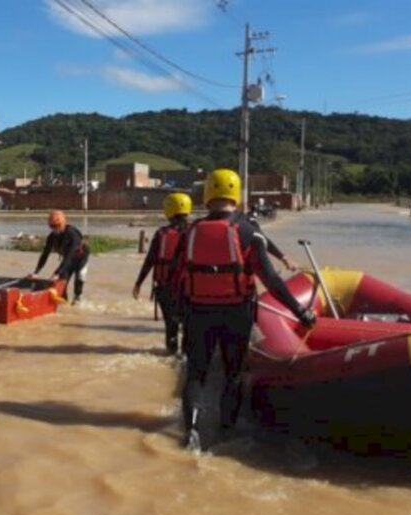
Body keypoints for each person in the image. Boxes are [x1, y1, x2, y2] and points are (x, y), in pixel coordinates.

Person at [175, 168, 316, 452]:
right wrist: (301, 313)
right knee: (233, 374)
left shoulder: (190, 232)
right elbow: (272, 280)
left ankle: (191, 431)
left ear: (207, 195)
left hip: (197, 313)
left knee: (196, 373)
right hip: (235, 314)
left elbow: (177, 277)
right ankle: (226, 431)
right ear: (236, 196)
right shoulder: (247, 232)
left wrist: (180, 315)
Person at [132, 192, 192, 355]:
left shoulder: (161, 234)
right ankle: (186, 358)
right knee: (188, 325)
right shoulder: (195, 232)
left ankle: (171, 353)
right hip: (190, 287)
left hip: (165, 286)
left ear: (168, 210)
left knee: (171, 325)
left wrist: (138, 283)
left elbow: (150, 260)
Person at [29, 210, 90, 304]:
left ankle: (77, 299)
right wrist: (36, 272)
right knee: (61, 283)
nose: (55, 229)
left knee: (80, 276)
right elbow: (45, 254)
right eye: (52, 227)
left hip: (80, 258)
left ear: (63, 224)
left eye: (57, 226)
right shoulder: (51, 237)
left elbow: (69, 256)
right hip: (67, 261)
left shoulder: (73, 235)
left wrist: (57, 272)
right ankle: (64, 303)